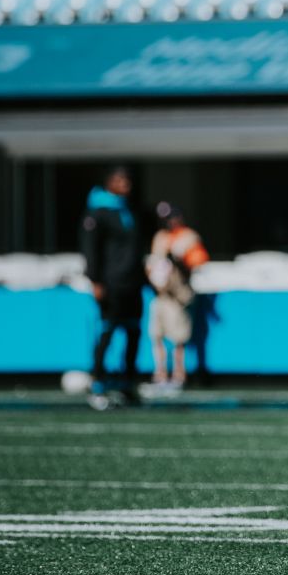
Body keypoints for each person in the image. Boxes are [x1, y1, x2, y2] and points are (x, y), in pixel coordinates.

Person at [80, 165, 146, 408]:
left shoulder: (130, 211)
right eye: (121, 180)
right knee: (107, 332)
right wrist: (95, 280)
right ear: (109, 182)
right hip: (111, 283)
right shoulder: (97, 213)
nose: (126, 184)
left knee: (134, 333)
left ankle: (127, 384)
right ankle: (98, 382)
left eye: (128, 180)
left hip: (132, 283)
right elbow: (91, 249)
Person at [145, 204, 209, 394]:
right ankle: (160, 374)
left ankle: (179, 375)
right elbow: (153, 263)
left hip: (178, 296)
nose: (170, 222)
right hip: (161, 295)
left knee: (178, 338)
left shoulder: (189, 237)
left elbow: (198, 262)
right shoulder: (160, 238)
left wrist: (179, 261)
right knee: (157, 336)